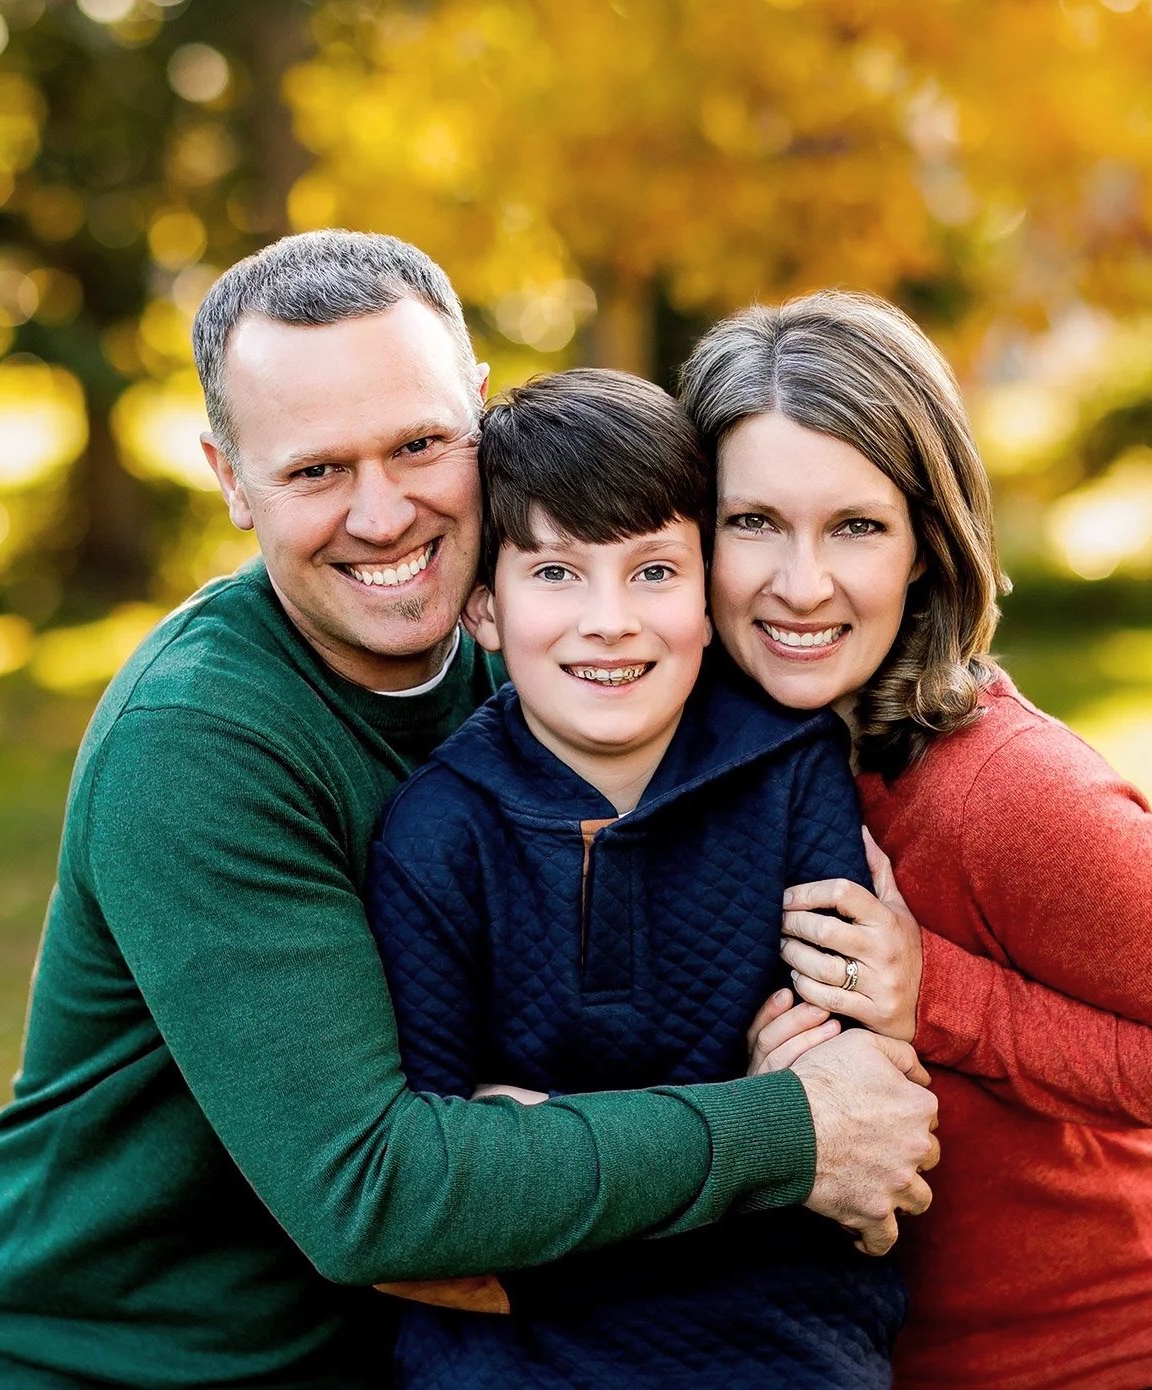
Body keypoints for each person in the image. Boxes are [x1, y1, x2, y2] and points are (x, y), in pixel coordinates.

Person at [0, 235, 940, 1388]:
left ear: (480, 421)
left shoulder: (551, 664)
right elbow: (374, 1193)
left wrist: (901, 989)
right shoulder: (197, 742)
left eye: (415, 445)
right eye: (316, 470)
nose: (382, 513)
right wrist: (787, 1129)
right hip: (122, 1359)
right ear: (230, 479)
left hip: (407, 1350)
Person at [681, 290, 1152, 1390]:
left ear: (926, 546)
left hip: (1129, 1355)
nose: (801, 584)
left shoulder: (1008, 792)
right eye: (753, 523)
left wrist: (935, 995)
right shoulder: (706, 769)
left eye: (856, 526)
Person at [365, 368, 909, 1387]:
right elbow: (432, 1212)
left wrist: (534, 1142)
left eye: (653, 571)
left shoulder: (789, 769)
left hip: (779, 1348)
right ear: (483, 608)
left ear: (706, 596)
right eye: (556, 573)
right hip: (512, 1362)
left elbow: (855, 1134)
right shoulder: (437, 833)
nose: (609, 619)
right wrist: (756, 1128)